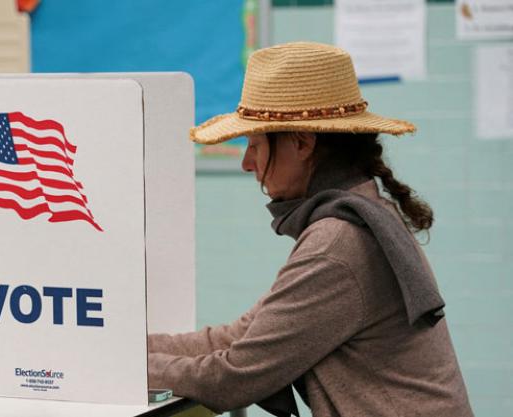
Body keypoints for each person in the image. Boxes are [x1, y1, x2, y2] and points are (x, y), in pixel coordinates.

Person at [147, 42, 474, 417]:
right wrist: (124, 351)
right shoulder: (360, 217)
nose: (247, 163)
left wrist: (125, 367)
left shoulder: (337, 243)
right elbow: (242, 337)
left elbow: (233, 377)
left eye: (254, 144)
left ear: (301, 143)